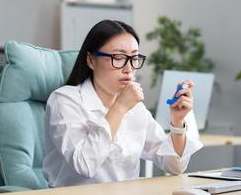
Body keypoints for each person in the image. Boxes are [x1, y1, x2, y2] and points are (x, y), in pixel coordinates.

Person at [43, 20, 203, 187]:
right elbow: (85, 165)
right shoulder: (64, 100)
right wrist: (119, 108)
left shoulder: (135, 107)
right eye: (118, 58)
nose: (129, 69)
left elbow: (174, 166)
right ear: (91, 60)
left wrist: (177, 123)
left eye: (134, 58)